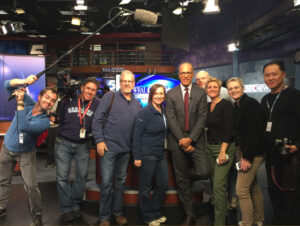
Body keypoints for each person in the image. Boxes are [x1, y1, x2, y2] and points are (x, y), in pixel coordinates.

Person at [0, 75, 58, 226]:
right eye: (47, 98)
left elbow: (23, 127)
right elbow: (7, 84)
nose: (49, 102)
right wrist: (24, 82)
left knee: (31, 186)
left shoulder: (44, 121)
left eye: (52, 101)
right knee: (3, 181)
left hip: (26, 153)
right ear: (40, 97)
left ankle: (37, 216)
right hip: (7, 148)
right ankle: (1, 207)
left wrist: (19, 101)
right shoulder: (29, 102)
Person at [92, 70, 142, 226]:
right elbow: (97, 120)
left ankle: (118, 213)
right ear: (120, 83)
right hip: (109, 149)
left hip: (126, 151)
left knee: (120, 184)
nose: (127, 84)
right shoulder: (110, 96)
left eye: (130, 81)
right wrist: (99, 141)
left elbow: (139, 127)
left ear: (134, 84)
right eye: (124, 81)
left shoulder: (136, 103)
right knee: (106, 184)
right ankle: (104, 217)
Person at [165, 62, 209, 226]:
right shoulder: (171, 94)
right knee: (181, 178)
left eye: (188, 72)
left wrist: (190, 139)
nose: (185, 75)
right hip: (177, 142)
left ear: (192, 74)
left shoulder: (200, 93)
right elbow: (171, 118)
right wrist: (182, 140)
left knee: (204, 171)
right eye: (182, 72)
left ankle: (185, 178)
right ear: (179, 75)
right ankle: (189, 213)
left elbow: (202, 118)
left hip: (195, 141)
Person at [55, 77, 100, 223]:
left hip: (83, 145)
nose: (90, 92)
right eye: (88, 88)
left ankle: (75, 205)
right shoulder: (68, 100)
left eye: (93, 90)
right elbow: (58, 116)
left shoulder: (97, 104)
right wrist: (64, 98)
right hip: (64, 143)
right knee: (63, 177)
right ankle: (66, 208)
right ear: (82, 88)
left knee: (81, 177)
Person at [261, 60, 300, 225]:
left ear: (283, 74)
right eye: (267, 75)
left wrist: (298, 145)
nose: (270, 78)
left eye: (274, 74)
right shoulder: (265, 99)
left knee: (290, 196)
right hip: (272, 156)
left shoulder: (294, 96)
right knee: (274, 195)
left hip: (290, 156)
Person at [227, 77, 266, 226]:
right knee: (253, 186)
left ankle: (248, 222)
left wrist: (247, 157)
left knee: (241, 189)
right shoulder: (238, 105)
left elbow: (254, 133)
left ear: (242, 88)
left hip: (253, 153)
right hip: (244, 151)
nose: (233, 91)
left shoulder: (251, 105)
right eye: (230, 89)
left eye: (236, 87)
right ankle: (259, 219)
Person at [132, 84, 169, 226]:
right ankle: (148, 217)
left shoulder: (162, 111)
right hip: (147, 154)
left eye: (161, 93)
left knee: (163, 184)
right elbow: (137, 134)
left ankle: (156, 212)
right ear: (151, 95)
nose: (159, 96)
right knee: (145, 187)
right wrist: (137, 156)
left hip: (160, 154)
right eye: (156, 93)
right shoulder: (145, 112)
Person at [205, 77, 235, 226]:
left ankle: (219, 223)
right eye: (209, 87)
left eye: (214, 87)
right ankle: (221, 217)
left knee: (218, 185)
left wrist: (223, 151)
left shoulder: (226, 105)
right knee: (216, 186)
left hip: (224, 147)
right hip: (210, 148)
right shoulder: (208, 105)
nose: (212, 89)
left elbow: (229, 130)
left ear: (220, 89)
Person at [45, 76, 59, 168]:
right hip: (49, 124)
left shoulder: (56, 97)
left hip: (54, 126)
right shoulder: (56, 95)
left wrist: (52, 115)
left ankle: (51, 162)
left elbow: (53, 111)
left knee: (52, 145)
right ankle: (51, 161)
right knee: (51, 145)